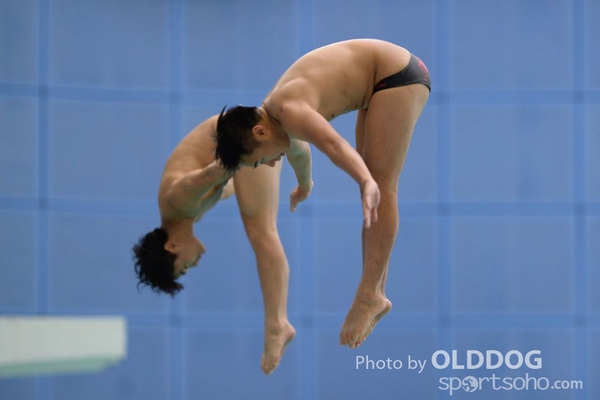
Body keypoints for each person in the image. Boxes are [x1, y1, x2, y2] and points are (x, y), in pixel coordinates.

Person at [214, 39, 430, 349]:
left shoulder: (290, 110)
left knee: (380, 186)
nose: (271, 164)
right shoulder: (276, 116)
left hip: (395, 75)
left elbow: (334, 145)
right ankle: (375, 293)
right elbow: (300, 153)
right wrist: (305, 185)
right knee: (373, 185)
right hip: (379, 81)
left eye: (261, 160)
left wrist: (365, 181)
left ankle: (370, 295)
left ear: (259, 133)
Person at [132, 116, 295, 374]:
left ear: (171, 247)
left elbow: (213, 172)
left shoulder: (177, 200)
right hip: (248, 132)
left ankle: (277, 325)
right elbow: (224, 184)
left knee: (261, 232)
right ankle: (278, 323)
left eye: (184, 267)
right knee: (261, 226)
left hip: (247, 132)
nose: (194, 264)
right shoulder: (188, 214)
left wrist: (251, 154)